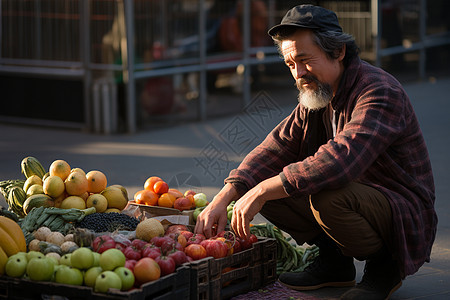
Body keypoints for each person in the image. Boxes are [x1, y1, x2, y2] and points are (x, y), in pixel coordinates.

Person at [194, 4, 437, 300]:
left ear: (338, 52)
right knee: (261, 185)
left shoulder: (379, 91)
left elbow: (340, 161)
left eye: (305, 60)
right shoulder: (318, 93)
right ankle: (335, 263)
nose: (298, 73)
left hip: (400, 207)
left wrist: (261, 191)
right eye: (290, 64)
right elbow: (277, 146)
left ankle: (385, 267)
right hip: (359, 195)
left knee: (323, 197)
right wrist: (227, 195)